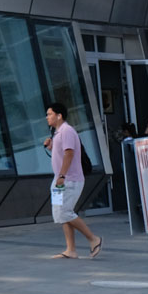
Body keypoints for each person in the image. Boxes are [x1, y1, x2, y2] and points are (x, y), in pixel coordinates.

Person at [46, 101, 101, 260]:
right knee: (60, 213)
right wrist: (51, 146)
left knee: (65, 211)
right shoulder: (58, 133)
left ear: (59, 115)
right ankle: (71, 249)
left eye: (49, 114)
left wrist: (62, 176)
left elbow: (69, 153)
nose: (47, 118)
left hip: (69, 180)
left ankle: (93, 239)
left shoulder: (67, 131)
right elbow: (61, 153)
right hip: (59, 180)